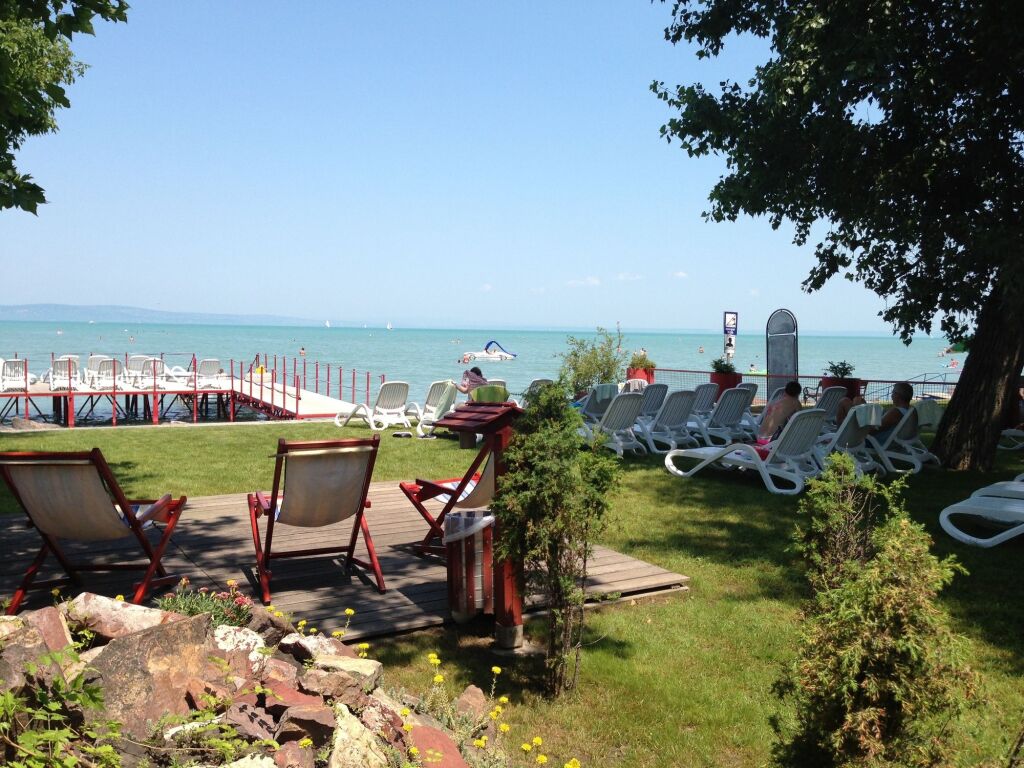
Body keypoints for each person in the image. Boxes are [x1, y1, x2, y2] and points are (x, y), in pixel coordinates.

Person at [836, 382, 913, 440]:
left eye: (893, 393)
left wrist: (858, 412)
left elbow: (873, 430)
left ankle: (839, 437)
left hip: (869, 439)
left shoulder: (896, 412)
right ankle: (840, 434)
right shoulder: (908, 410)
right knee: (858, 401)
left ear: (898, 395)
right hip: (876, 435)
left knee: (844, 401)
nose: (891, 395)